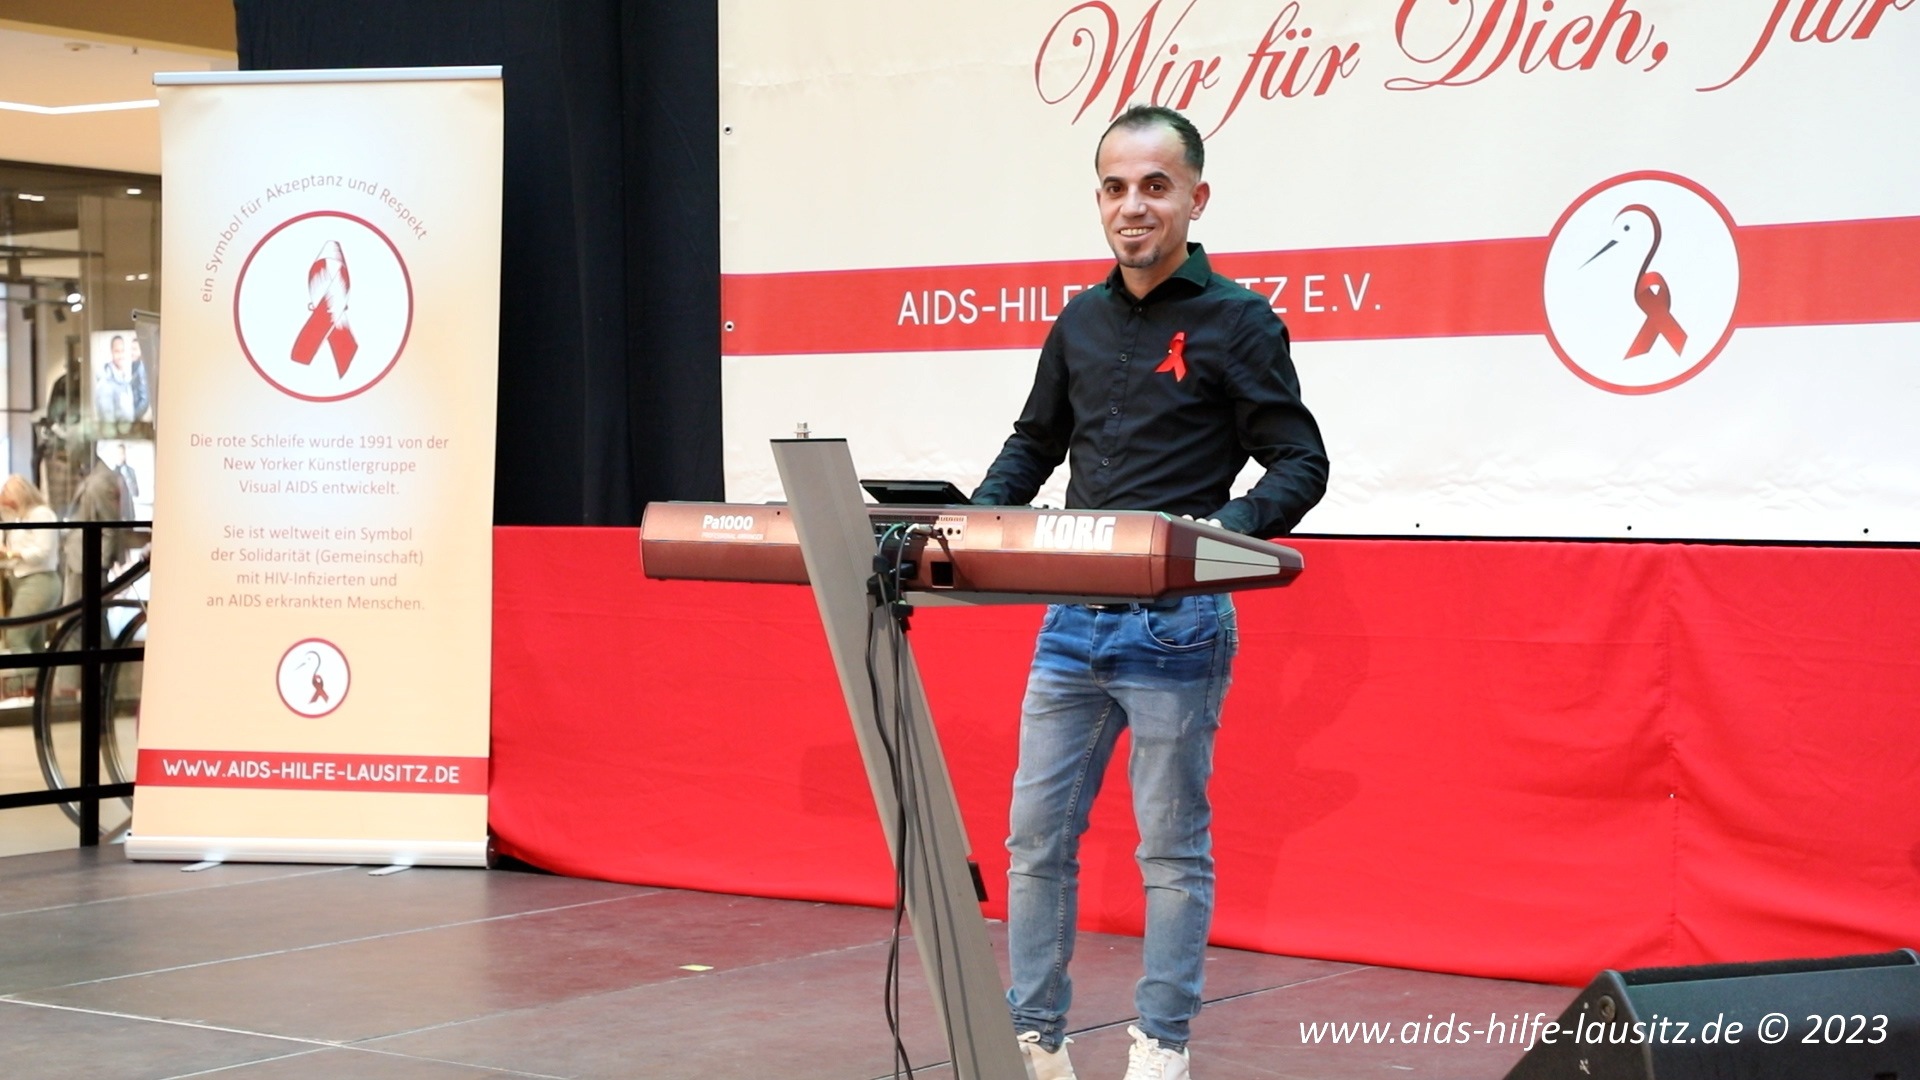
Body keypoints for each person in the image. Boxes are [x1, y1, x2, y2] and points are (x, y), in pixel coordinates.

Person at [971, 105, 1329, 1080]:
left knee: (1170, 853)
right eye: (1116, 187)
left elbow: (1300, 461)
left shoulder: (1239, 321)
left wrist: (1218, 536)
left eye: (1156, 187)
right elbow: (1035, 443)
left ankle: (1160, 1049)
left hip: (1179, 625)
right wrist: (974, 522)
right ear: (1099, 200)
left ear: (1195, 199)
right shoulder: (1079, 321)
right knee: (1034, 843)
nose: (1134, 206)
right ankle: (1035, 1042)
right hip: (1068, 620)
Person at [0, 475, 62, 656]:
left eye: (5, 492)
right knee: (34, 643)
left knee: (16, 637)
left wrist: (10, 553)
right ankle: (38, 675)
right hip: (23, 580)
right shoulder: (21, 518)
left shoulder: (41, 514)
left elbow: (42, 552)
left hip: (39, 581)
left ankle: (24, 675)